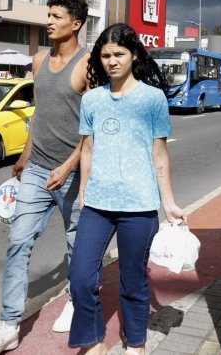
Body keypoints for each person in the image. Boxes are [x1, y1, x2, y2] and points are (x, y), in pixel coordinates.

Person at [0, 0, 91, 355]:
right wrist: (25, 157)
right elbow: (39, 115)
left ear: (76, 24)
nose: (49, 21)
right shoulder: (39, 61)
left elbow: (93, 127)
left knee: (77, 245)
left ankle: (75, 300)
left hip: (73, 172)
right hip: (38, 169)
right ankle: (9, 324)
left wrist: (70, 164)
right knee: (18, 242)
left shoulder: (89, 66)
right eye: (49, 14)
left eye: (57, 16)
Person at [67, 23, 184, 355]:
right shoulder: (92, 99)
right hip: (98, 205)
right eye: (105, 55)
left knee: (133, 281)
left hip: (139, 205)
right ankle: (93, 341)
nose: (112, 60)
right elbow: (87, 150)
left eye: (118, 53)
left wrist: (169, 203)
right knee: (81, 277)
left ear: (134, 55)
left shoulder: (152, 98)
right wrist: (85, 191)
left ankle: (136, 344)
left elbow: (159, 153)